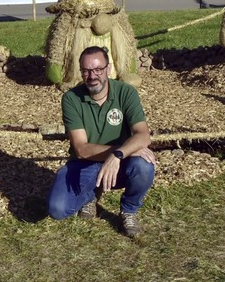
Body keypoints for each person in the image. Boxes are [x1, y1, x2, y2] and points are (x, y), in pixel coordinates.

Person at [47, 46, 156, 237]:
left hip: (120, 165)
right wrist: (117, 151)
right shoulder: (71, 99)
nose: (92, 75)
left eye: (98, 69)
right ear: (81, 71)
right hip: (85, 164)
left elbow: (143, 135)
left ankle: (129, 209)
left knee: (144, 165)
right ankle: (90, 195)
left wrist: (119, 155)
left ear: (108, 69)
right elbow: (81, 149)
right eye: (87, 70)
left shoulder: (126, 93)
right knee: (57, 209)